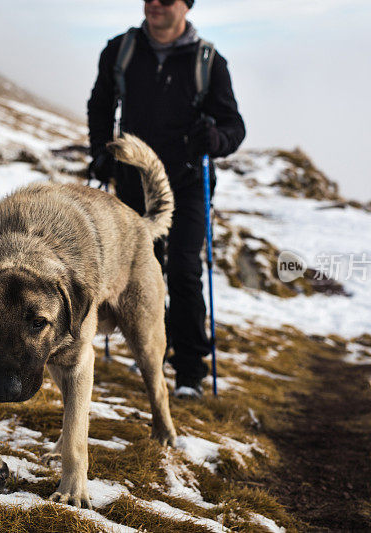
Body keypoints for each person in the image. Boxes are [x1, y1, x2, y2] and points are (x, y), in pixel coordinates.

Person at [87, 0, 245, 397]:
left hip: (187, 183)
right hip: (131, 182)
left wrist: (217, 140)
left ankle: (189, 373)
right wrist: (101, 153)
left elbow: (234, 126)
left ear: (186, 6)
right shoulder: (120, 49)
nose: (154, 3)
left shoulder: (208, 61)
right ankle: (149, 350)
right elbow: (101, 105)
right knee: (138, 275)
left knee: (184, 271)